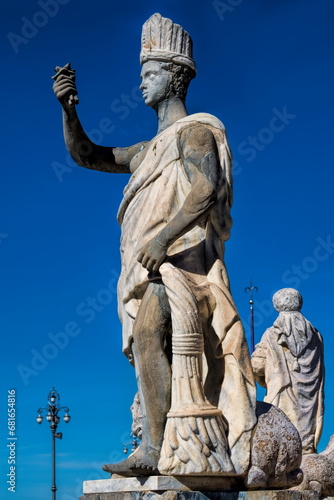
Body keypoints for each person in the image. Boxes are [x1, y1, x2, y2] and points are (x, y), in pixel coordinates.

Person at [53, 13, 256, 477]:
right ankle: (159, 441)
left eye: (149, 73)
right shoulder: (147, 150)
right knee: (150, 344)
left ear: (175, 75)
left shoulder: (195, 132)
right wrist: (68, 110)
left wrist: (162, 239)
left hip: (185, 266)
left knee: (149, 333)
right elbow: (87, 155)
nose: (141, 83)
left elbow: (203, 191)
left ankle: (158, 447)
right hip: (153, 268)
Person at [252, 288, 324, 454]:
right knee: (304, 442)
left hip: (281, 394)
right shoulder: (316, 337)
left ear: (277, 306)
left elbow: (257, 365)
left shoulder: (272, 334)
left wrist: (262, 378)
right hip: (310, 406)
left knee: (281, 436)